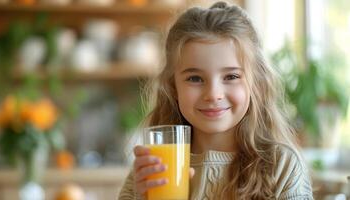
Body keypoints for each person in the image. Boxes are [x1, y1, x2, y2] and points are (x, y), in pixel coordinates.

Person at [118, 1, 314, 199]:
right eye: (195, 78)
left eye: (231, 77)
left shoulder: (281, 166)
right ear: (172, 87)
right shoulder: (152, 171)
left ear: (257, 84)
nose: (213, 94)